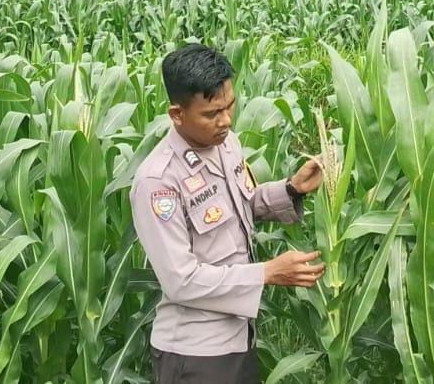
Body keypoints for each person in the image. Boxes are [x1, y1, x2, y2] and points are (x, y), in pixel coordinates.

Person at [130, 43, 324, 384]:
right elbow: (181, 281)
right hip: (196, 355)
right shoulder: (158, 182)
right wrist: (266, 273)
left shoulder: (226, 144)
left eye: (229, 106)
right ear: (177, 114)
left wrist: (291, 189)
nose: (226, 121)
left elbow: (240, 206)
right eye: (211, 114)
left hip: (239, 339)